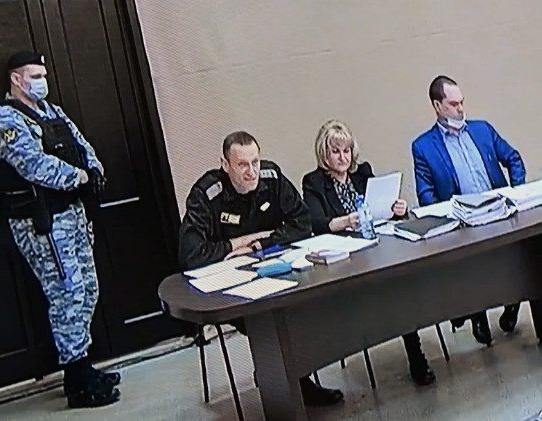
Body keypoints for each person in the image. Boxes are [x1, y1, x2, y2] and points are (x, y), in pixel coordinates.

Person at [0, 51, 120, 408]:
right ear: (16, 79)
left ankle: (82, 366)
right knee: (67, 293)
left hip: (72, 214)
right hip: (42, 222)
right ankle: (77, 379)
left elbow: (80, 144)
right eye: (35, 75)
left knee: (87, 289)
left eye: (43, 75)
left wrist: (94, 169)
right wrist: (79, 177)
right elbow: (33, 164)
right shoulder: (5, 120)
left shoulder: (51, 112)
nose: (42, 81)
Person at [179, 130, 344, 406]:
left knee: (302, 305)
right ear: (225, 165)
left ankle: (291, 378)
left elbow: (302, 223)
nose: (252, 171)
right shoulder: (207, 194)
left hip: (273, 270)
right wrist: (234, 245)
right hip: (229, 285)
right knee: (270, 319)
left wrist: (261, 243)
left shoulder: (272, 177)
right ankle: (282, 382)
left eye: (255, 162)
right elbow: (191, 255)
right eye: (242, 165)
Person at [302, 119, 436, 386]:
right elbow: (314, 223)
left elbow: (380, 208)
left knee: (400, 290)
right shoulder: (313, 182)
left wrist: (397, 209)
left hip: (376, 250)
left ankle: (416, 355)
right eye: (335, 151)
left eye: (346, 150)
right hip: (344, 260)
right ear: (324, 154)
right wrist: (344, 222)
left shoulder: (362, 173)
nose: (343, 157)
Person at [411, 75, 526, 346]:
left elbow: (513, 158)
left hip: (499, 212)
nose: (461, 109)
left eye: (462, 102)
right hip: (464, 224)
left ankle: (513, 303)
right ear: (437, 106)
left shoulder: (482, 130)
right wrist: (449, 218)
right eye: (453, 104)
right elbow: (426, 194)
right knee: (472, 269)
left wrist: (517, 193)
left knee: (522, 259)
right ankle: (477, 314)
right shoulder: (423, 147)